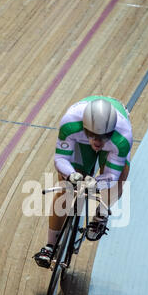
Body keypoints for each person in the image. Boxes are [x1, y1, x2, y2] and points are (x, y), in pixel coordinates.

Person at [34, 95, 133, 268]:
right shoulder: (71, 124)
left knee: (118, 183)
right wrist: (71, 175)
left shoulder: (122, 138)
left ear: (111, 132)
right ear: (85, 127)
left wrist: (96, 183)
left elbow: (111, 176)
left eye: (103, 136)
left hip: (112, 147)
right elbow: (60, 160)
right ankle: (50, 245)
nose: (98, 142)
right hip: (80, 141)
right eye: (93, 135)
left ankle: (101, 213)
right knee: (66, 189)